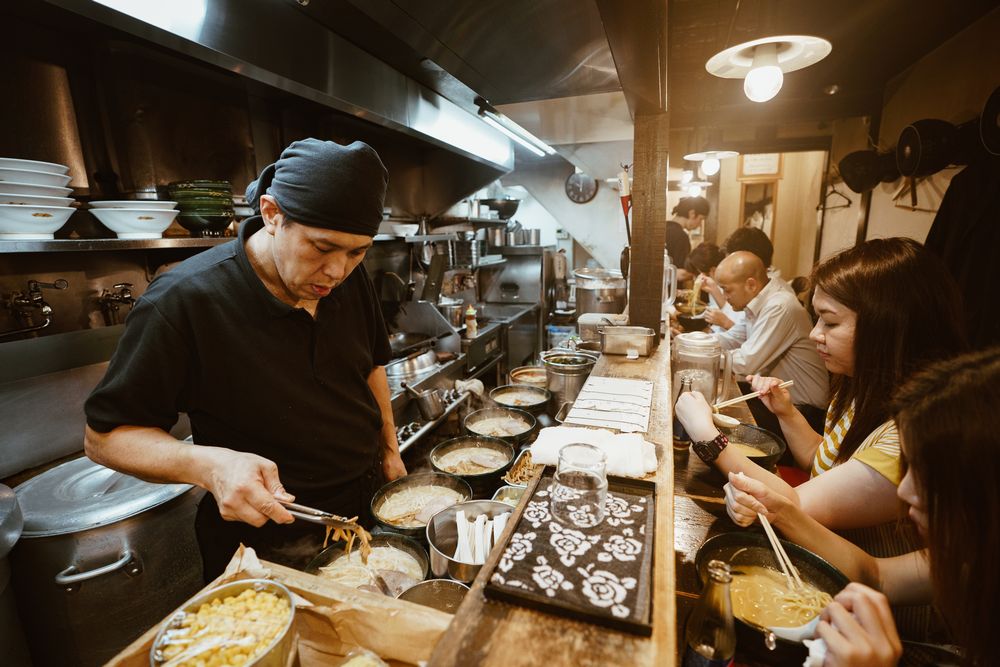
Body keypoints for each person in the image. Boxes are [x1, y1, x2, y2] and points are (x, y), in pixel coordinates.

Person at [84, 138, 407, 579]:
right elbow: (105, 438)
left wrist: (389, 451)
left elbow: (371, 363)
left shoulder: (349, 279)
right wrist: (211, 466)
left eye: (357, 251)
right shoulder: (185, 301)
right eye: (322, 247)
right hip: (262, 540)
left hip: (361, 507)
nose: (337, 271)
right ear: (273, 215)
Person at [724, 346, 1000, 666]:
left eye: (931, 478)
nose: (906, 490)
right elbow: (877, 576)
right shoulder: (968, 552)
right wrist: (781, 512)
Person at [676, 238, 967, 534]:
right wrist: (786, 413)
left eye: (830, 323)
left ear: (887, 326)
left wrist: (707, 436)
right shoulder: (856, 388)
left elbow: (795, 506)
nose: (815, 334)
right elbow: (822, 458)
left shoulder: (908, 434)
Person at [711, 250, 829, 430]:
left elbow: (746, 362)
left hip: (805, 412)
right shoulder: (756, 302)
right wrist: (688, 342)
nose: (725, 297)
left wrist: (700, 357)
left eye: (727, 290)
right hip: (777, 400)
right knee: (713, 402)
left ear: (750, 284)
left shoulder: (779, 305)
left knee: (716, 417)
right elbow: (731, 339)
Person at [684, 242, 741, 333]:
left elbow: (736, 327)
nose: (695, 279)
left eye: (697, 274)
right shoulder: (713, 285)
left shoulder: (731, 288)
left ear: (712, 270)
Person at [667, 196, 709, 281]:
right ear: (692, 213)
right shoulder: (681, 236)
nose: (700, 224)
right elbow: (683, 273)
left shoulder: (661, 229)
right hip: (672, 291)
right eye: (701, 219)